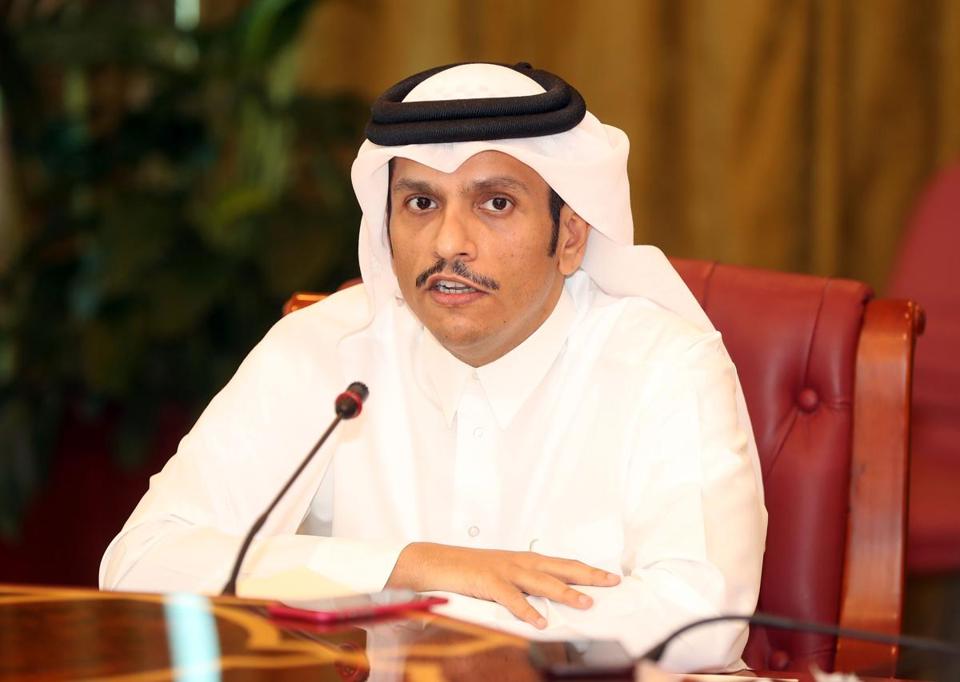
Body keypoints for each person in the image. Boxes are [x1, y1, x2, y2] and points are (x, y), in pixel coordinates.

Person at [100, 63, 766, 672]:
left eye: (495, 203)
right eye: (421, 204)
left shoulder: (666, 365)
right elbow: (140, 565)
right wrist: (410, 567)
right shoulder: (323, 350)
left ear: (569, 237)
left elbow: (702, 621)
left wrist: (422, 614)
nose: (449, 243)